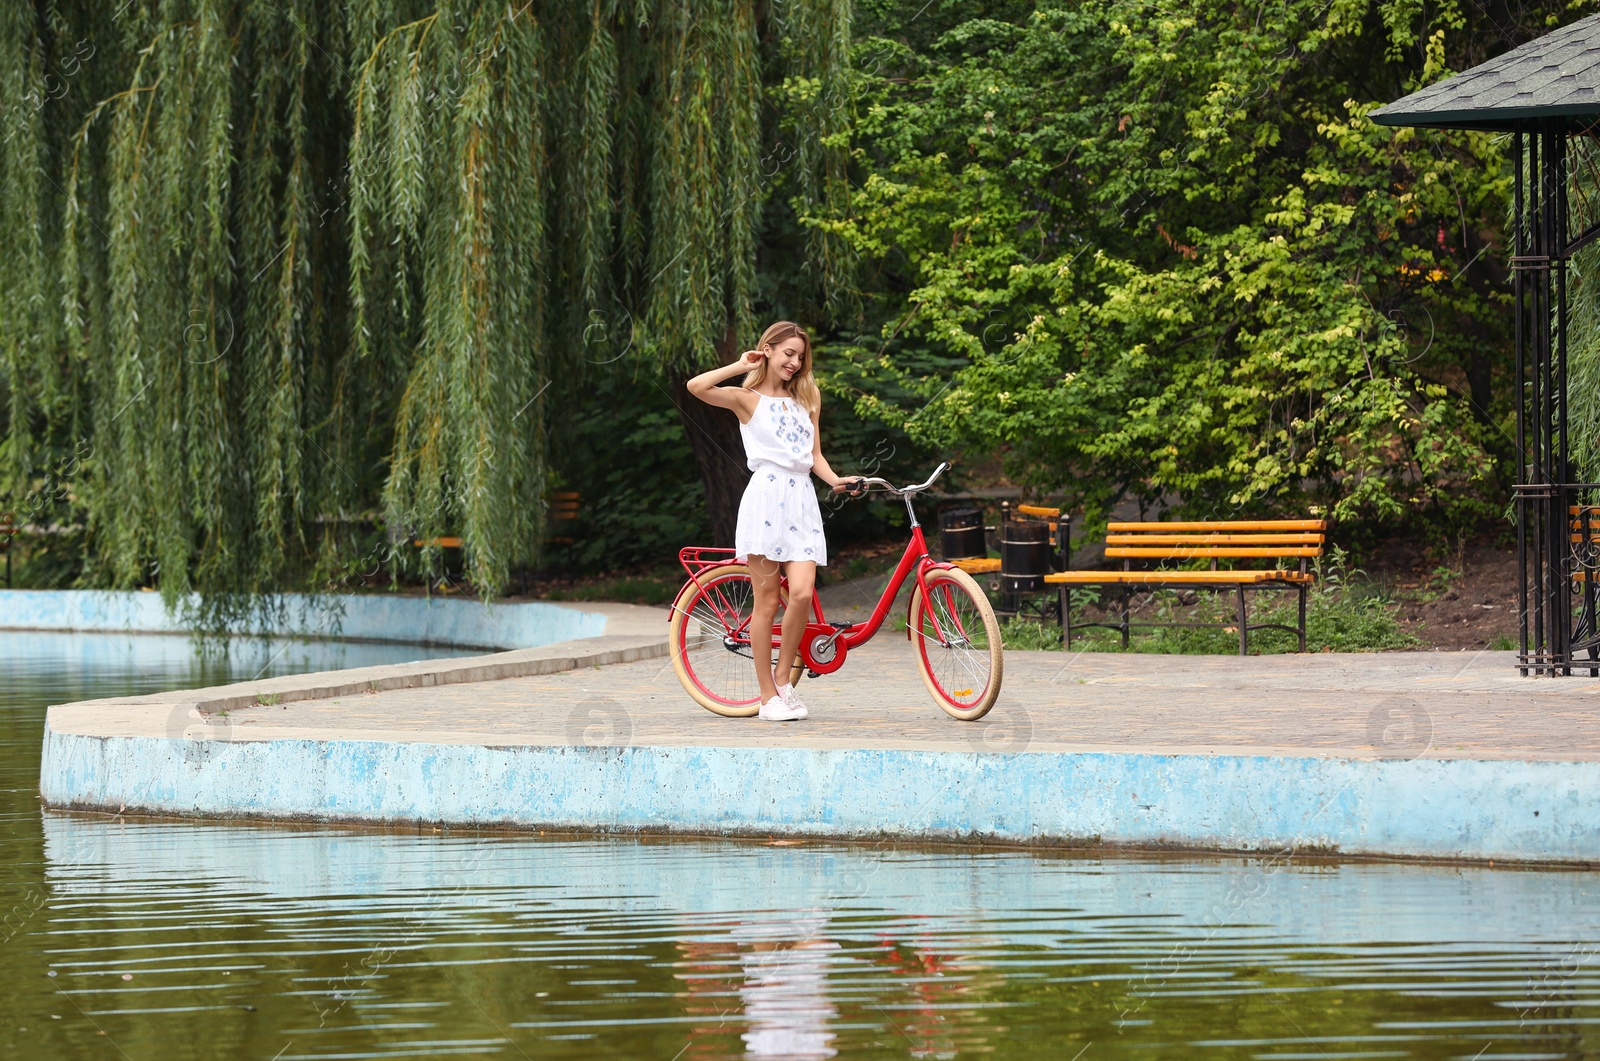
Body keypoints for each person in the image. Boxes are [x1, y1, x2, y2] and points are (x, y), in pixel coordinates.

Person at [686, 321, 862, 721]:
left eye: (800, 356)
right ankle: (767, 698)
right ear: (768, 349)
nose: (796, 363)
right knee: (766, 601)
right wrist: (739, 364)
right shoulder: (747, 399)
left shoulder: (807, 396)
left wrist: (835, 481)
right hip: (766, 498)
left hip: (802, 498)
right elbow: (697, 387)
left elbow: (814, 454)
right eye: (788, 353)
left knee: (801, 593)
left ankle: (784, 680)